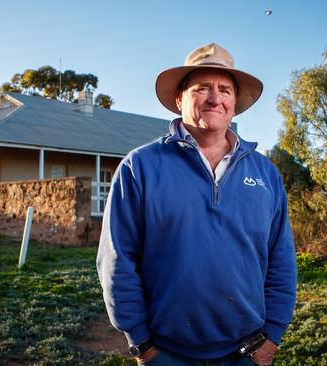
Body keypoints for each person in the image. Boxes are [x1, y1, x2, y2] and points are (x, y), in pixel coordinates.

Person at [96, 43, 297, 366]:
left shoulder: (265, 174)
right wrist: (141, 343)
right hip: (166, 352)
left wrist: (272, 336)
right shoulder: (141, 167)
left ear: (234, 102)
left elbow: (281, 260)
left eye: (224, 90)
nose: (215, 98)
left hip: (247, 352)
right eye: (202, 88)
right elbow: (117, 261)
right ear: (179, 99)